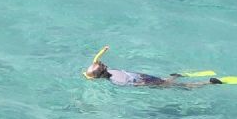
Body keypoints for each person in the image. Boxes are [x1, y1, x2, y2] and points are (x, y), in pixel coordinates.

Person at [84, 53, 222, 89]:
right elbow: (98, 62)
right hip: (143, 76)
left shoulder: (114, 80)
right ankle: (177, 76)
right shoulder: (112, 71)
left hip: (144, 81)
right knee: (166, 81)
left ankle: (209, 83)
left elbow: (133, 84)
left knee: (180, 87)